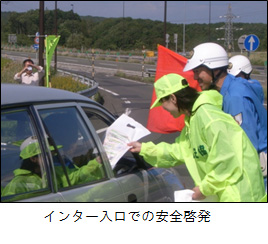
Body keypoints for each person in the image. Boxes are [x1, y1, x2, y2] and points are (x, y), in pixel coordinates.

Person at [128, 73, 266, 202]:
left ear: (173, 98)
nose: (163, 109)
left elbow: (227, 160)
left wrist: (204, 189)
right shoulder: (193, 118)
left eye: (162, 103)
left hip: (242, 194)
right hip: (229, 192)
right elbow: (181, 150)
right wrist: (144, 149)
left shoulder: (208, 116)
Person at [183, 43, 267, 187]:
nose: (195, 77)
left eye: (198, 71)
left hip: (254, 174)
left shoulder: (235, 97)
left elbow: (245, 145)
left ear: (214, 69)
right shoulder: (231, 87)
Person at [2, 136, 104, 197]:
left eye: (52, 153)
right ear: (33, 159)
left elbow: (76, 176)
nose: (52, 156)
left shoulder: (56, 171)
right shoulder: (18, 184)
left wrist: (96, 162)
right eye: (47, 154)